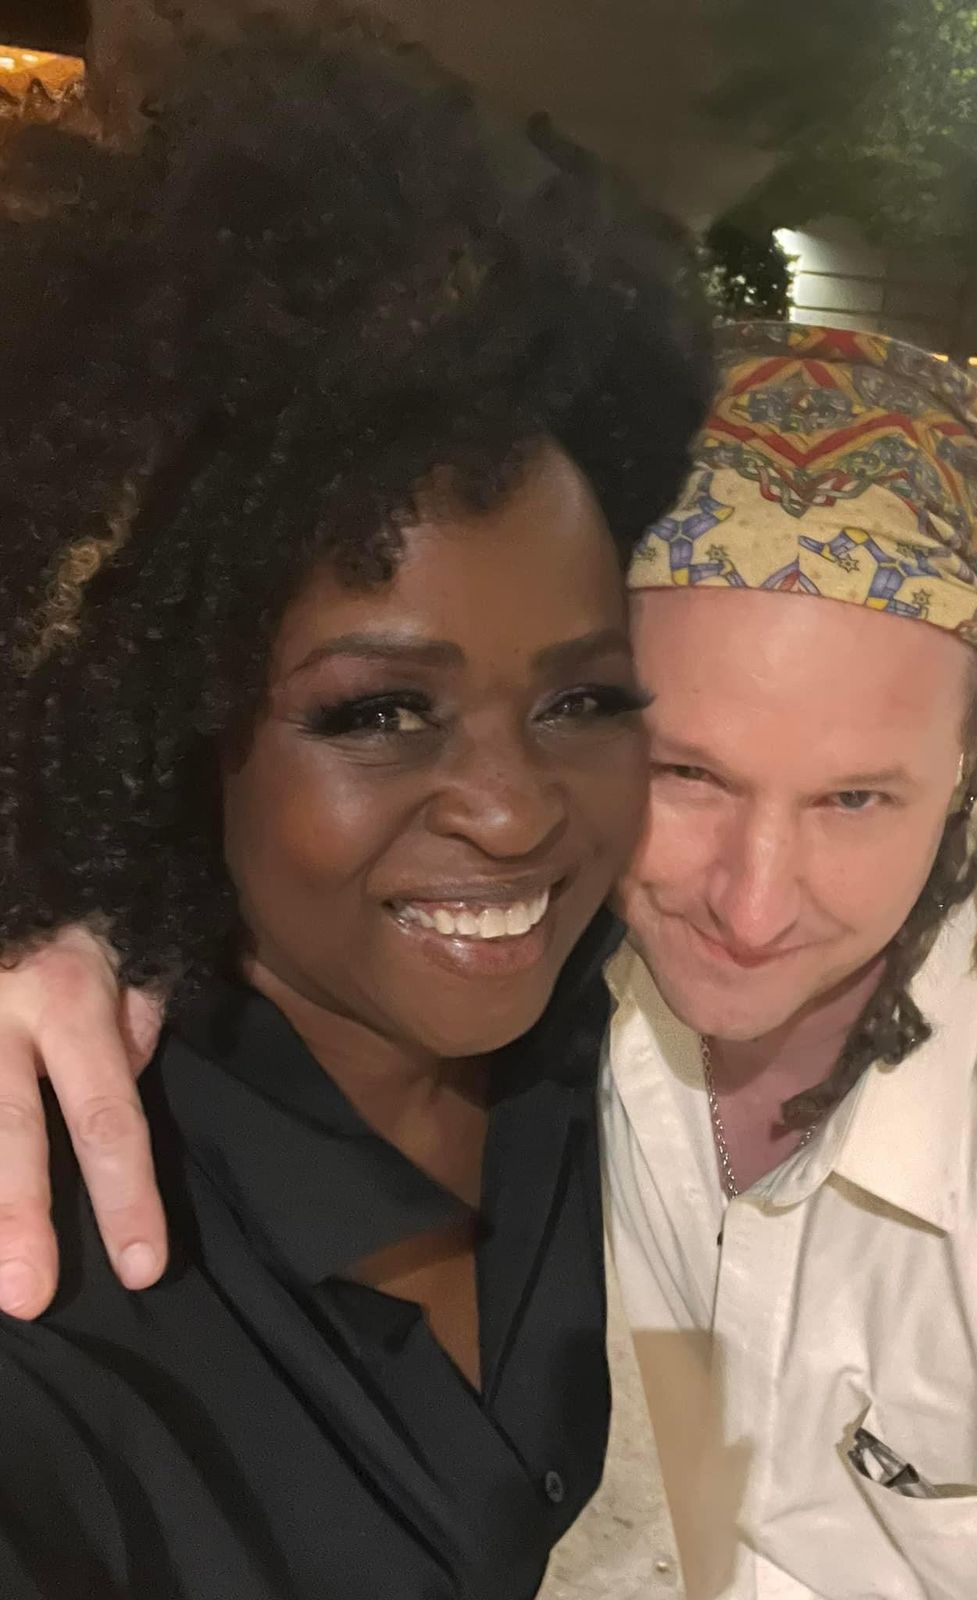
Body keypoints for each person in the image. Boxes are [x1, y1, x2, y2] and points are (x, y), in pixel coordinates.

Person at [4, 321, 977, 1599]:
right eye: (688, 772)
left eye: (856, 798)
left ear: (976, 762)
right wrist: (70, 904)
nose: (752, 904)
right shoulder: (553, 951)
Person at [0, 22, 711, 1600]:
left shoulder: (622, 1032)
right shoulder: (54, 1274)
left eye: (581, 699)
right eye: (379, 712)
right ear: (167, 721)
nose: (515, 814)